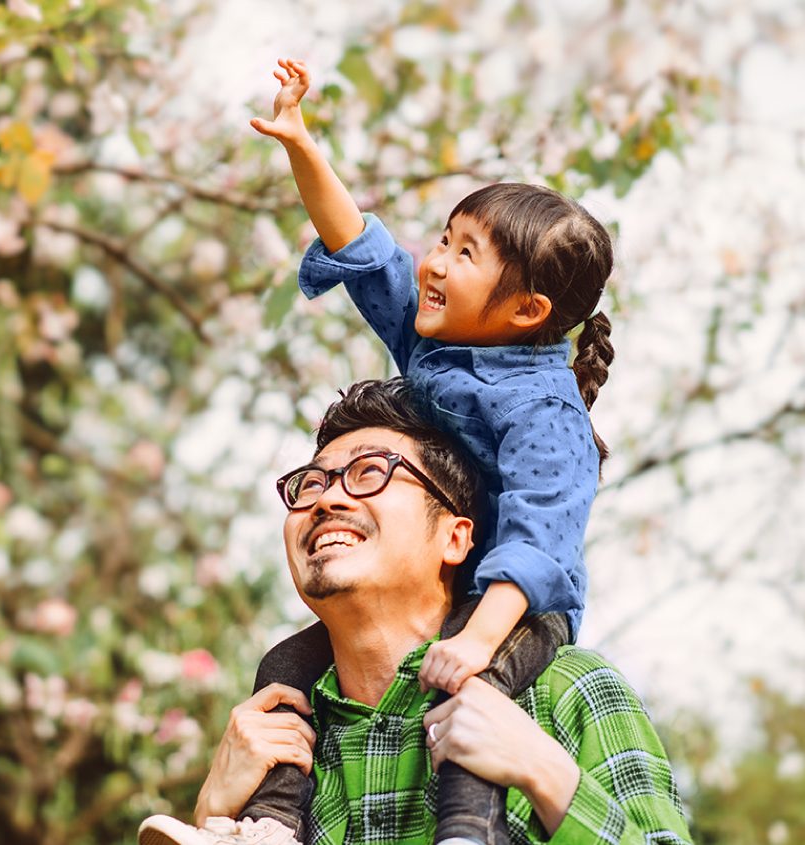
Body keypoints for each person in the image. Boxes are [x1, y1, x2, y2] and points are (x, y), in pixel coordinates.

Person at [233, 58, 620, 845]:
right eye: (443, 239)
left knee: (473, 699)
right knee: (281, 667)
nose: (434, 262)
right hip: (454, 603)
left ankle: (466, 831)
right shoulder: (438, 346)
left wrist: (476, 638)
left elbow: (543, 538)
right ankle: (269, 826)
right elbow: (366, 253)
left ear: (526, 310)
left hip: (516, 609)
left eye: (465, 254)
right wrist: (303, 147)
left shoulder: (546, 413)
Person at [137, 379, 691, 845]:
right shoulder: (272, 745)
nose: (328, 499)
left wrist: (544, 773)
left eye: (370, 472)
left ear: (455, 537)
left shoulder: (566, 691)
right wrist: (212, 809)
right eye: (311, 483)